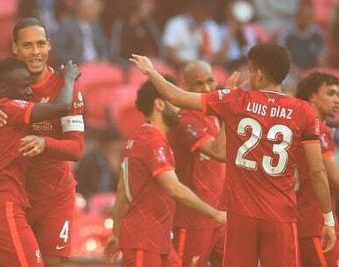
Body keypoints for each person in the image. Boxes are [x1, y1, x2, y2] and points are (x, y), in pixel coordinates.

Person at [129, 43, 336, 267]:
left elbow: (176, 96)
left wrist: (150, 70)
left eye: (250, 68)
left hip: (241, 215)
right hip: (281, 215)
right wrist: (327, 218)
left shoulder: (236, 100)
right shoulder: (303, 111)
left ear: (258, 73)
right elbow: (317, 171)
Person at [0, 17, 85, 267]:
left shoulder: (66, 87)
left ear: (49, 46)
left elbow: (76, 149)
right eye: (27, 45)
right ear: (15, 48)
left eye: (41, 44)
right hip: (14, 197)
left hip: (53, 195)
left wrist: (46, 144)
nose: (35, 52)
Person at [0, 58, 80, 266]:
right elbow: (63, 106)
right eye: (23, 86)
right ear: (2, 88)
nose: (30, 92)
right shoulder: (7, 108)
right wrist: (70, 78)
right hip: (4, 208)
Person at [104, 77, 227, 267]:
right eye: (174, 100)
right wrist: (215, 214)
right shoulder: (151, 140)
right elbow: (174, 189)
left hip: (159, 241)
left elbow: (122, 190)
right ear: (160, 104)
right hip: (143, 240)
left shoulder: (145, 137)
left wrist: (116, 233)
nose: (180, 106)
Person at [169, 60, 226, 267]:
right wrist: (229, 111)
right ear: (186, 88)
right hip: (192, 219)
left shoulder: (212, 115)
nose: (207, 89)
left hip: (220, 216)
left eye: (210, 81)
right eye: (198, 84)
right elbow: (218, 152)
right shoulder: (184, 120)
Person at [295, 72, 339, 267]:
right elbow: (335, 178)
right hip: (316, 223)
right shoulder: (317, 129)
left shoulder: (300, 125)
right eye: (330, 93)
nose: (336, 99)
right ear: (312, 95)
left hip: (308, 221)